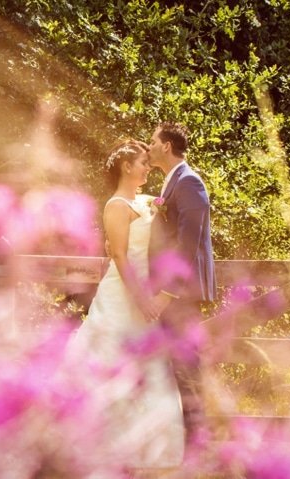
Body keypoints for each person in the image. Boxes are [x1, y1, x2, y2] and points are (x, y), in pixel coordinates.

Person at [66, 140, 184, 471]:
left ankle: (147, 447)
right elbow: (117, 255)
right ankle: (100, 444)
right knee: (109, 360)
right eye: (143, 163)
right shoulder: (115, 206)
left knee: (149, 366)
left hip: (146, 293)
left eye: (148, 162)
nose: (148, 167)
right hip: (124, 293)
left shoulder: (148, 202)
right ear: (126, 167)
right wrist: (141, 298)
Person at [146, 122, 216, 450]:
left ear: (167, 146)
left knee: (188, 367)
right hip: (171, 294)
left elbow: (188, 244)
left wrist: (168, 292)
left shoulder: (189, 182)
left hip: (182, 295)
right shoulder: (172, 181)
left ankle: (198, 445)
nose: (148, 147)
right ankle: (183, 441)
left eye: (152, 141)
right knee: (173, 367)